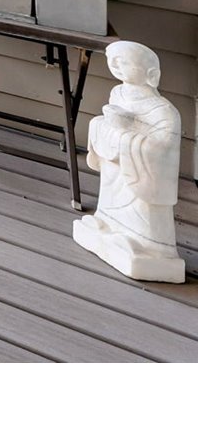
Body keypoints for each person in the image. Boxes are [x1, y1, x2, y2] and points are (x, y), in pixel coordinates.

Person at [74, 42, 185, 282]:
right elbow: (104, 123)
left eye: (123, 61)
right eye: (112, 61)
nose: (115, 65)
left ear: (151, 74)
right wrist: (103, 127)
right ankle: (109, 225)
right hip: (117, 173)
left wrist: (125, 136)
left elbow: (163, 150)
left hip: (143, 181)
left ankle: (150, 247)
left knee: (142, 216)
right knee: (110, 199)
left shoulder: (164, 111)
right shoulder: (117, 93)